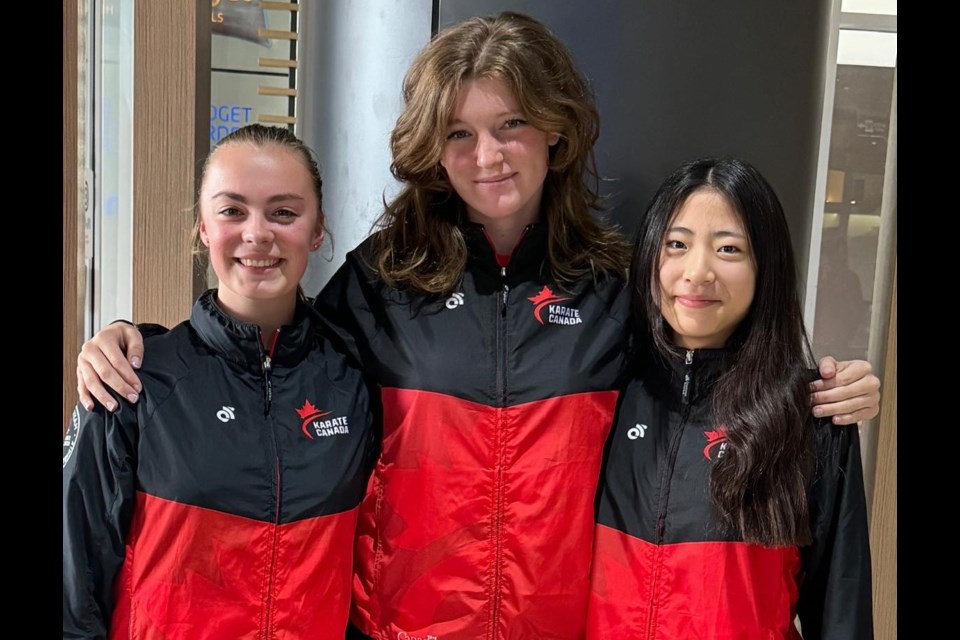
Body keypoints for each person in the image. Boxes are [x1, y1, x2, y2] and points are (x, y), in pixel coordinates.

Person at [72, 13, 881, 639]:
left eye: (511, 126)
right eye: (459, 132)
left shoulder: (608, 286)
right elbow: (271, 356)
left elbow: (703, 360)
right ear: (434, 147)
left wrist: (821, 387)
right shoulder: (385, 279)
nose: (486, 154)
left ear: (555, 132)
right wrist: (136, 339)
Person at [62, 125, 376, 638]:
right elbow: (75, 580)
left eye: (283, 212)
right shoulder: (132, 381)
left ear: (317, 230)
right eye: (232, 210)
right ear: (204, 228)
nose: (257, 234)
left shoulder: (355, 380)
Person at [588, 157, 873, 638]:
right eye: (677, 245)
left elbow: (842, 607)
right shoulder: (603, 393)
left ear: (767, 266)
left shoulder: (811, 415)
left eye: (729, 249)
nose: (697, 272)